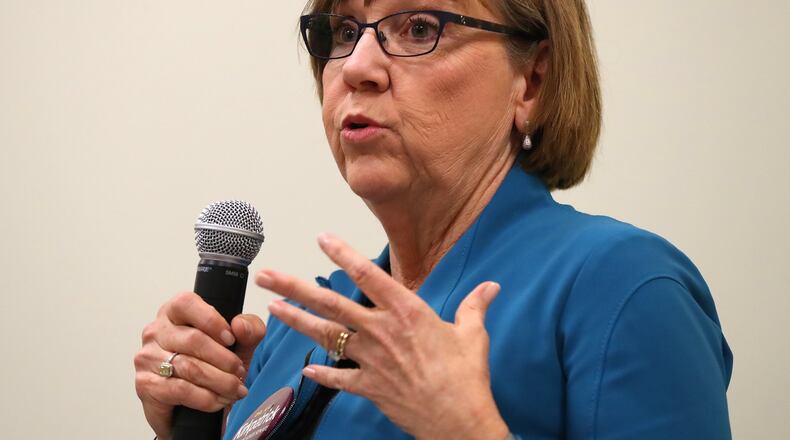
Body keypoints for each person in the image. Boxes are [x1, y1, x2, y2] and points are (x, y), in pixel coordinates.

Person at [134, 0, 734, 438]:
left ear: (533, 80)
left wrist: (466, 431)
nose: (357, 66)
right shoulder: (299, 328)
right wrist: (187, 423)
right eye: (343, 30)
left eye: (420, 26)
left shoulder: (622, 286)